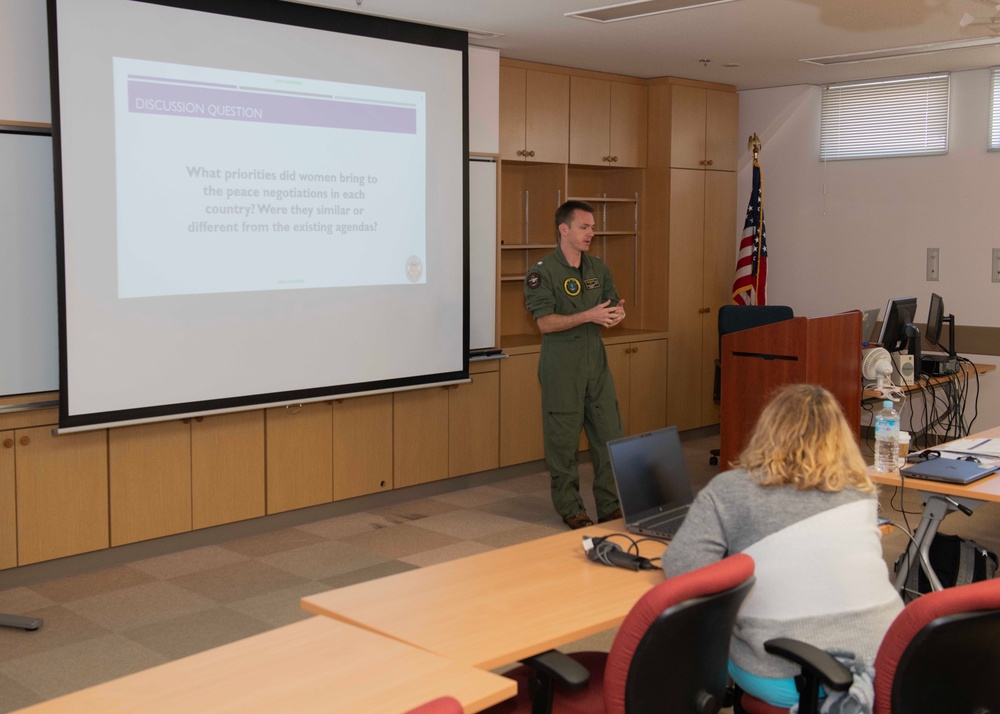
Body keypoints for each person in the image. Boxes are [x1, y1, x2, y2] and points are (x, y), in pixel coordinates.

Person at [662, 383, 903, 709]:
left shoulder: (732, 490)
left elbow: (683, 569)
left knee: (702, 637)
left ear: (768, 430)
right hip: (887, 664)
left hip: (792, 676)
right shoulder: (860, 489)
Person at [524, 200, 626, 529]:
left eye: (593, 227)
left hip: (595, 359)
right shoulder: (542, 272)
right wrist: (589, 315)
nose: (591, 233)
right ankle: (571, 508)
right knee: (563, 440)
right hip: (561, 361)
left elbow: (609, 306)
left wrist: (615, 314)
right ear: (563, 229)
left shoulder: (599, 269)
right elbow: (544, 324)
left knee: (609, 434)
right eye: (584, 227)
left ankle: (610, 504)